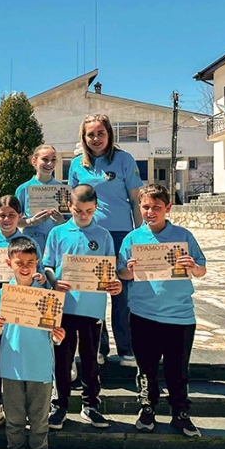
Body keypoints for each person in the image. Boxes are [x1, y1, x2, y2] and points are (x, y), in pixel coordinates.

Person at [117, 184, 207, 438]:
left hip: (179, 316)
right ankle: (147, 409)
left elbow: (201, 269)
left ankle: (180, 413)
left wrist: (193, 267)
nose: (150, 212)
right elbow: (122, 273)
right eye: (145, 207)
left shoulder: (183, 236)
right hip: (144, 314)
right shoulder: (133, 238)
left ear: (167, 208)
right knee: (146, 369)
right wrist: (129, 270)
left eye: (156, 207)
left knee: (177, 370)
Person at [43, 184, 122, 430]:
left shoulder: (104, 235)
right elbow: (47, 265)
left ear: (96, 208)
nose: (83, 215)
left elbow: (111, 271)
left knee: (90, 359)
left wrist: (115, 284)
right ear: (70, 206)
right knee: (62, 359)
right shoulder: (57, 233)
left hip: (92, 309)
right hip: (64, 307)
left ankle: (91, 405)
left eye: (88, 210)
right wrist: (55, 280)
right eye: (78, 210)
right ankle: (60, 405)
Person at [0, 236, 65, 449]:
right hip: (11, 366)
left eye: (30, 262)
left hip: (40, 366)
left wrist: (57, 335)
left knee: (39, 420)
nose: (25, 267)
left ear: (37, 263)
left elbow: (53, 331)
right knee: (13, 419)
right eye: (19, 262)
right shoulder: (2, 294)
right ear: (9, 262)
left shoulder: (47, 295)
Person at [68, 114, 142, 366]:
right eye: (91, 134)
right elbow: (74, 202)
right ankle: (98, 347)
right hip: (90, 238)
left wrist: (139, 236)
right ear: (84, 138)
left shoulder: (124, 160)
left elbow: (135, 200)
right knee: (93, 292)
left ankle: (126, 348)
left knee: (121, 294)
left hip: (121, 235)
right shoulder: (77, 165)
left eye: (101, 133)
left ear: (109, 134)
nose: (96, 138)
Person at [0, 195, 43, 432]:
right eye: (1, 215)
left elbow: (39, 271)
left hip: (25, 306)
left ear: (20, 216)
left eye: (12, 215)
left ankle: (20, 408)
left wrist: (39, 278)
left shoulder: (28, 242)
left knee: (20, 353)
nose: (6, 219)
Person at [16, 144, 67, 248]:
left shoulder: (62, 189)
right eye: (45, 159)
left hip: (56, 240)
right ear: (34, 161)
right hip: (31, 241)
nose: (49, 163)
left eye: (53, 160)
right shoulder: (23, 189)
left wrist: (62, 221)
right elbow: (15, 221)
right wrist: (31, 221)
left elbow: (71, 220)